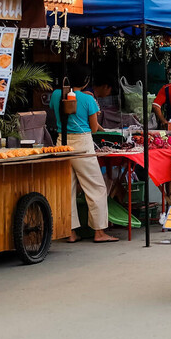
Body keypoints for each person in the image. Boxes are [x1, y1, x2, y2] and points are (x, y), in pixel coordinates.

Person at [50, 64, 118, 243]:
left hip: (61, 143)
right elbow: (94, 128)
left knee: (67, 188)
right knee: (96, 188)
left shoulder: (57, 95)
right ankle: (99, 232)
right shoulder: (88, 100)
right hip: (82, 144)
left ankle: (70, 232)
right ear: (86, 81)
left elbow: (56, 112)